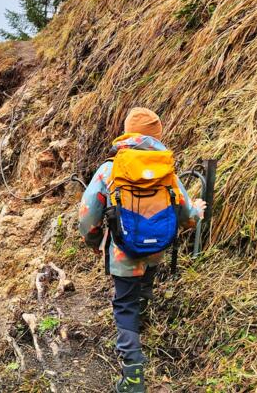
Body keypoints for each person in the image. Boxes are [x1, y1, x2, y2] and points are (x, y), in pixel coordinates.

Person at [76, 107, 206, 393]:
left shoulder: (111, 169)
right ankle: (142, 323)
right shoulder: (166, 168)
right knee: (144, 286)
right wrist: (197, 210)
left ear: (127, 133)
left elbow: (87, 215)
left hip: (124, 252)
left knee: (125, 305)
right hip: (156, 248)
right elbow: (186, 216)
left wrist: (95, 242)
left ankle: (133, 374)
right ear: (156, 136)